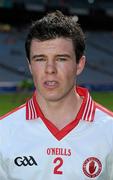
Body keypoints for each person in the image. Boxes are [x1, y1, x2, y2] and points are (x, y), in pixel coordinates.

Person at [0, 10, 113, 180]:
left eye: (61, 58)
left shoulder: (109, 130)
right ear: (30, 66)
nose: (50, 69)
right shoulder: (4, 132)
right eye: (40, 59)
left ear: (79, 64)